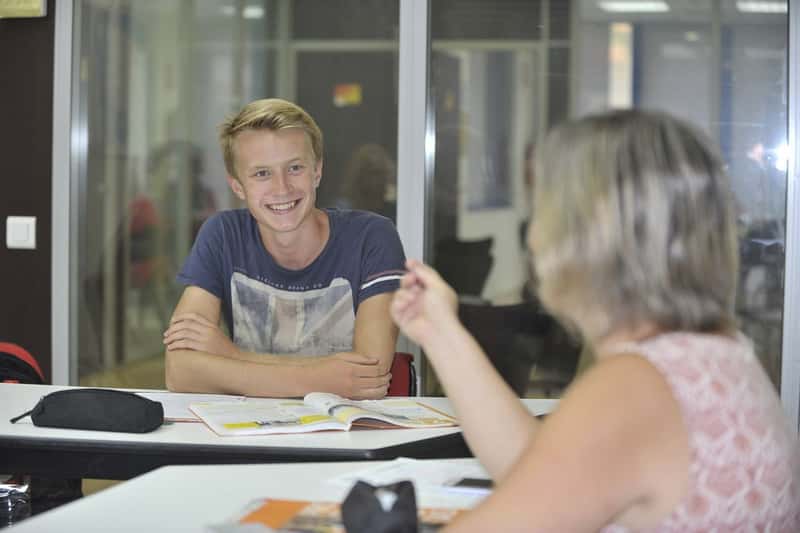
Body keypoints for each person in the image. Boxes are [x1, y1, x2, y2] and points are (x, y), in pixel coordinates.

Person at [391, 110, 799, 531]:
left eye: (544, 209)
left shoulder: (632, 388)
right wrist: (441, 333)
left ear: (584, 236)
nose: (534, 237)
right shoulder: (714, 358)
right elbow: (547, 475)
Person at [164, 98, 406, 399]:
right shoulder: (223, 235)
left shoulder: (372, 237)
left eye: (294, 168)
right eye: (261, 173)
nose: (281, 188)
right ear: (238, 186)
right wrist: (327, 377)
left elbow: (370, 375)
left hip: (344, 427)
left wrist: (231, 355)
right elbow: (180, 371)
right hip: (247, 426)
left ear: (317, 171)